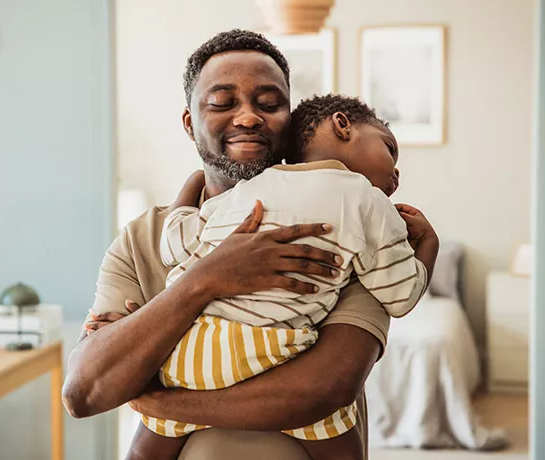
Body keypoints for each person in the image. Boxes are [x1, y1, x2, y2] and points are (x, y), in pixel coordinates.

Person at [62, 29, 435, 460]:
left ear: (290, 120)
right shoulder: (142, 238)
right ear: (190, 122)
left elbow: (326, 386)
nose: (248, 118)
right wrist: (205, 280)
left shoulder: (335, 225)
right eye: (222, 103)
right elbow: (85, 391)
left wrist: (158, 397)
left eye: (269, 104)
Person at [127, 94, 438, 459]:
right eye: (390, 149)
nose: (396, 172)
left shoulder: (247, 189)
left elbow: (175, 246)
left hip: (194, 352)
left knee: (144, 453)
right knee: (343, 442)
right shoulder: (368, 200)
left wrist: (191, 186)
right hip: (279, 360)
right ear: (343, 125)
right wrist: (428, 242)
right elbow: (400, 296)